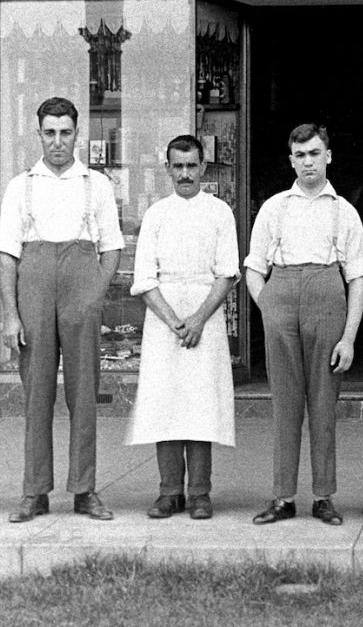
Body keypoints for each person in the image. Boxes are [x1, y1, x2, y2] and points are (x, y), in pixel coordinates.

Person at [0, 96, 123, 523]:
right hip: (33, 285)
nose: (57, 141)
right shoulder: (21, 185)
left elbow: (111, 249)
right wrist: (11, 315)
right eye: (49, 133)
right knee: (37, 392)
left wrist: (94, 294)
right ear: (39, 134)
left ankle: (84, 490)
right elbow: (6, 254)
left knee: (83, 393)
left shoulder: (96, 183)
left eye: (65, 132)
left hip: (80, 283)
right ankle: (35, 491)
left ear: (76, 134)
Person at [244, 123, 363, 527]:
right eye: (300, 155)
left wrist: (348, 338)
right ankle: (282, 497)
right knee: (285, 403)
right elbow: (253, 267)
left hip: (326, 295)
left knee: (323, 403)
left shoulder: (343, 210)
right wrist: (268, 307)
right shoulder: (275, 206)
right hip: (281, 293)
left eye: (315, 153)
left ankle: (323, 497)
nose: (308, 162)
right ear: (291, 160)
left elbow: (357, 278)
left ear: (328, 156)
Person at [124, 134, 239, 520]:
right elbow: (143, 279)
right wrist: (175, 321)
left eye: (192, 166)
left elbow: (226, 274)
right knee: (166, 402)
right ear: (168, 169)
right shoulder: (157, 214)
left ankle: (201, 493)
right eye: (178, 166)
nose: (186, 174)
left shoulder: (220, 212)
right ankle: (169, 491)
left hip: (205, 314)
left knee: (201, 403)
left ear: (204, 167)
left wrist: (198, 318)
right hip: (164, 319)